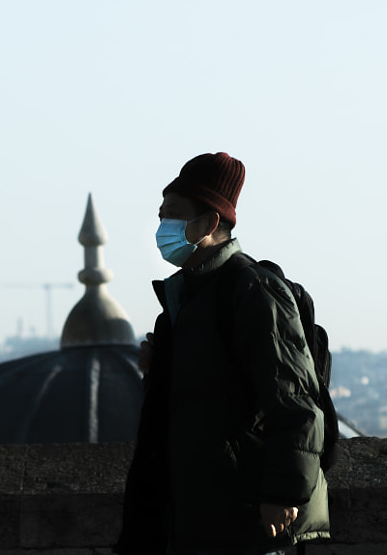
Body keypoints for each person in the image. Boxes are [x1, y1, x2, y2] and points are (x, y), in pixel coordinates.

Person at [115, 153, 329, 555]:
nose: (163, 228)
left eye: (174, 216)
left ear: (210, 222)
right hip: (194, 515)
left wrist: (281, 496)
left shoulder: (252, 291)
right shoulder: (187, 298)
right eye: (162, 216)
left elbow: (295, 404)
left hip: (241, 516)